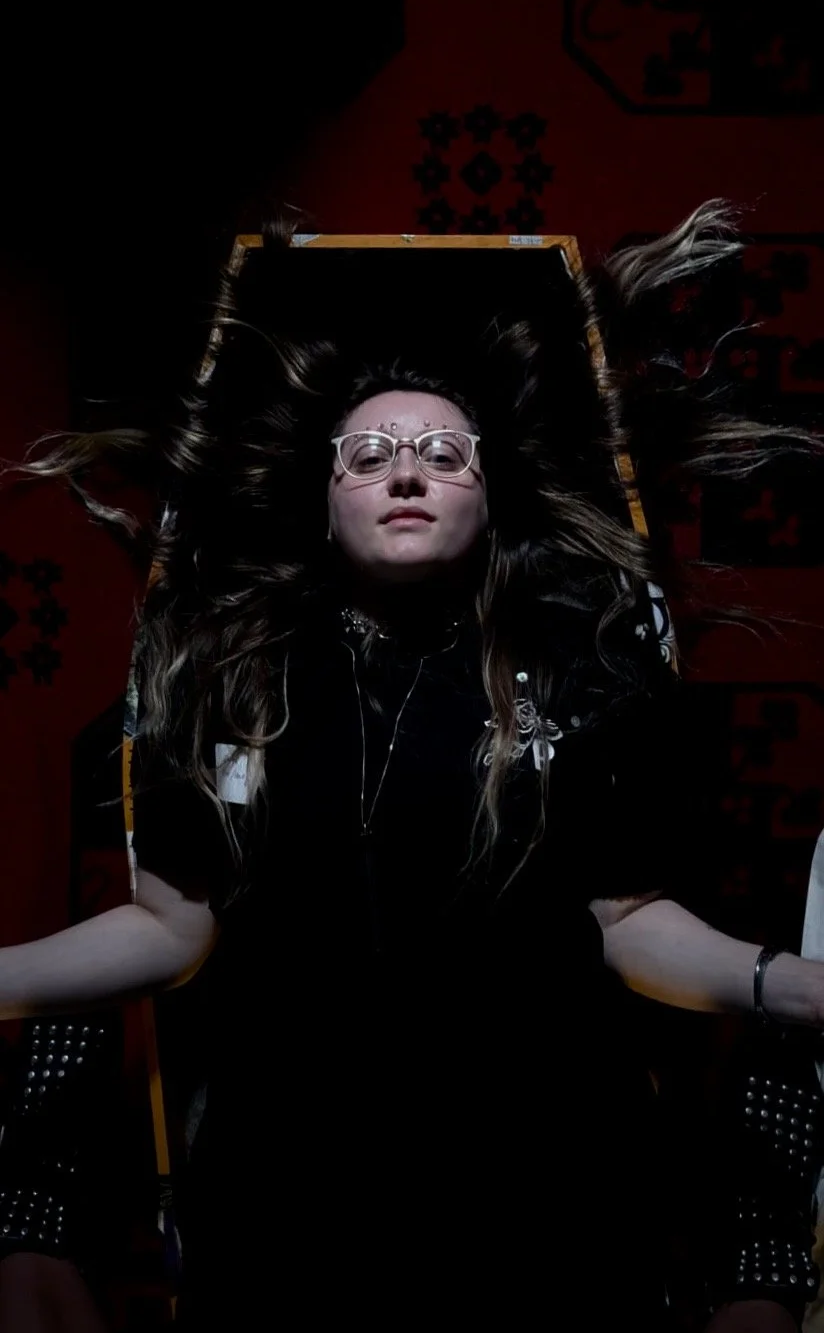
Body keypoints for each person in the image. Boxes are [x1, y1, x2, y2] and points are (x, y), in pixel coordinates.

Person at [1, 203, 823, 1330]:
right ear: (323, 494)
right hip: (292, 1187)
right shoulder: (231, 673)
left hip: (542, 1184)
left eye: (443, 456)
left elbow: (628, 922)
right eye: (370, 455)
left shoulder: (582, 665)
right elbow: (170, 927)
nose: (406, 475)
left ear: (488, 498)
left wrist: (786, 982)